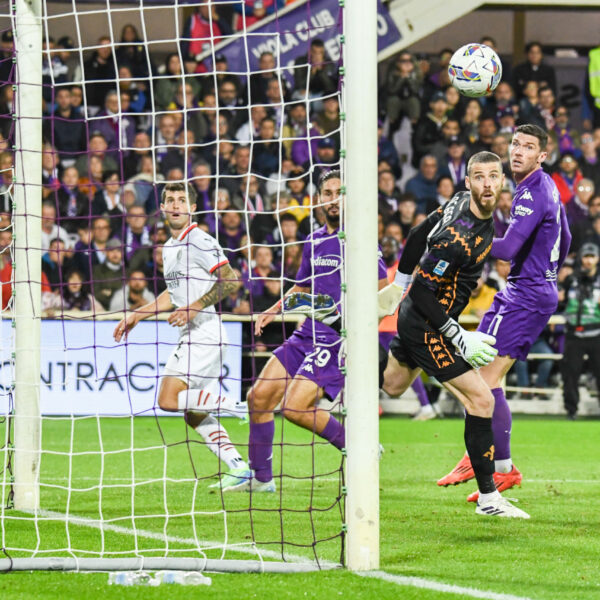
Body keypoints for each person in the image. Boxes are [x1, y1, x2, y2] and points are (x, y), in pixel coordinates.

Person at [382, 151, 529, 518]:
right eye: (479, 177)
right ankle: (489, 499)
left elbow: (417, 233)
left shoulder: (461, 202)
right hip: (428, 324)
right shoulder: (457, 237)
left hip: (420, 319)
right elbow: (421, 290)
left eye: (494, 176)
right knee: (482, 401)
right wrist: (456, 333)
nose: (487, 184)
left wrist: (396, 285)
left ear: (502, 181)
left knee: (392, 386)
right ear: (468, 182)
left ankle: (345, 354)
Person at [226, 170, 388, 493]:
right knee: (257, 397)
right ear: (318, 199)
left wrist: (356, 326)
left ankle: (359, 447)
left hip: (337, 338)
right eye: (327, 193)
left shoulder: (359, 237)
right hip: (307, 333)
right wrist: (274, 310)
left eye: (339, 192)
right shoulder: (314, 239)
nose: (333, 199)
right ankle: (260, 479)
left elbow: (383, 287)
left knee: (294, 408)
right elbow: (302, 285)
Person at [437, 124, 571, 504]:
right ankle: (502, 467)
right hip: (530, 290)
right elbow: (567, 237)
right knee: (487, 377)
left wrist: (460, 239)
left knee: (480, 378)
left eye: (528, 147)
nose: (518, 151)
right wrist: (548, 269)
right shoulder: (546, 187)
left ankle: (482, 459)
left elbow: (509, 248)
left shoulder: (532, 192)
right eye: (515, 144)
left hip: (525, 294)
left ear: (542, 156)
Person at [113, 182, 250, 490]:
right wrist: (138, 313)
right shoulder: (170, 247)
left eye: (181, 200)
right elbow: (172, 295)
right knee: (192, 413)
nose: (175, 205)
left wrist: (195, 307)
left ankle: (236, 405)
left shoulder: (200, 240)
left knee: (167, 399)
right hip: (195, 335)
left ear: (192, 208)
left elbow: (231, 280)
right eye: (170, 200)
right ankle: (239, 468)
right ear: (162, 208)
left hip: (205, 333)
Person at [559, 243, 600, 419]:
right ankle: (571, 410)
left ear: (597, 259)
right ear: (581, 259)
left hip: (597, 333)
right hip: (574, 333)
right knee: (570, 374)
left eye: (592, 256)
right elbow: (561, 301)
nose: (589, 260)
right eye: (585, 256)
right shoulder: (571, 279)